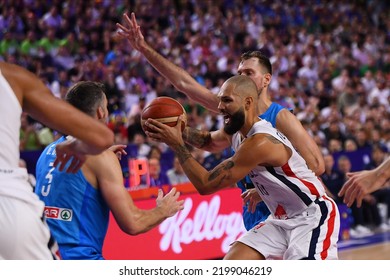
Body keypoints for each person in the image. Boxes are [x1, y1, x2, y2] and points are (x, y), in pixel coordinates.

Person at [117, 13, 325, 231]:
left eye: (249, 73)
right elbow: (184, 86)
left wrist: (269, 188)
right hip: (255, 215)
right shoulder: (232, 112)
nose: (243, 77)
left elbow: (316, 165)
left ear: (266, 80)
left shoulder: (280, 116)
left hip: (287, 212)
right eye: (239, 72)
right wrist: (142, 48)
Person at [144, 75, 339, 260]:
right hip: (281, 217)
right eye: (220, 100)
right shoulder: (236, 132)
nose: (220, 107)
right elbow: (206, 140)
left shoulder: (260, 142)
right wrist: (176, 129)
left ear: (248, 103)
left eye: (227, 100)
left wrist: (176, 143)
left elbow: (206, 184)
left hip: (312, 216)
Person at [34, 81, 184, 260]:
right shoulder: (100, 156)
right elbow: (133, 223)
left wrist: (99, 166)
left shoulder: (47, 152)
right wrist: (163, 210)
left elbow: (67, 187)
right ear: (101, 112)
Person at [0, 61, 114, 260]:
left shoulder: (46, 152)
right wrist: (77, 145)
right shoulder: (14, 76)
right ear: (101, 112)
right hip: (9, 205)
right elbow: (101, 136)